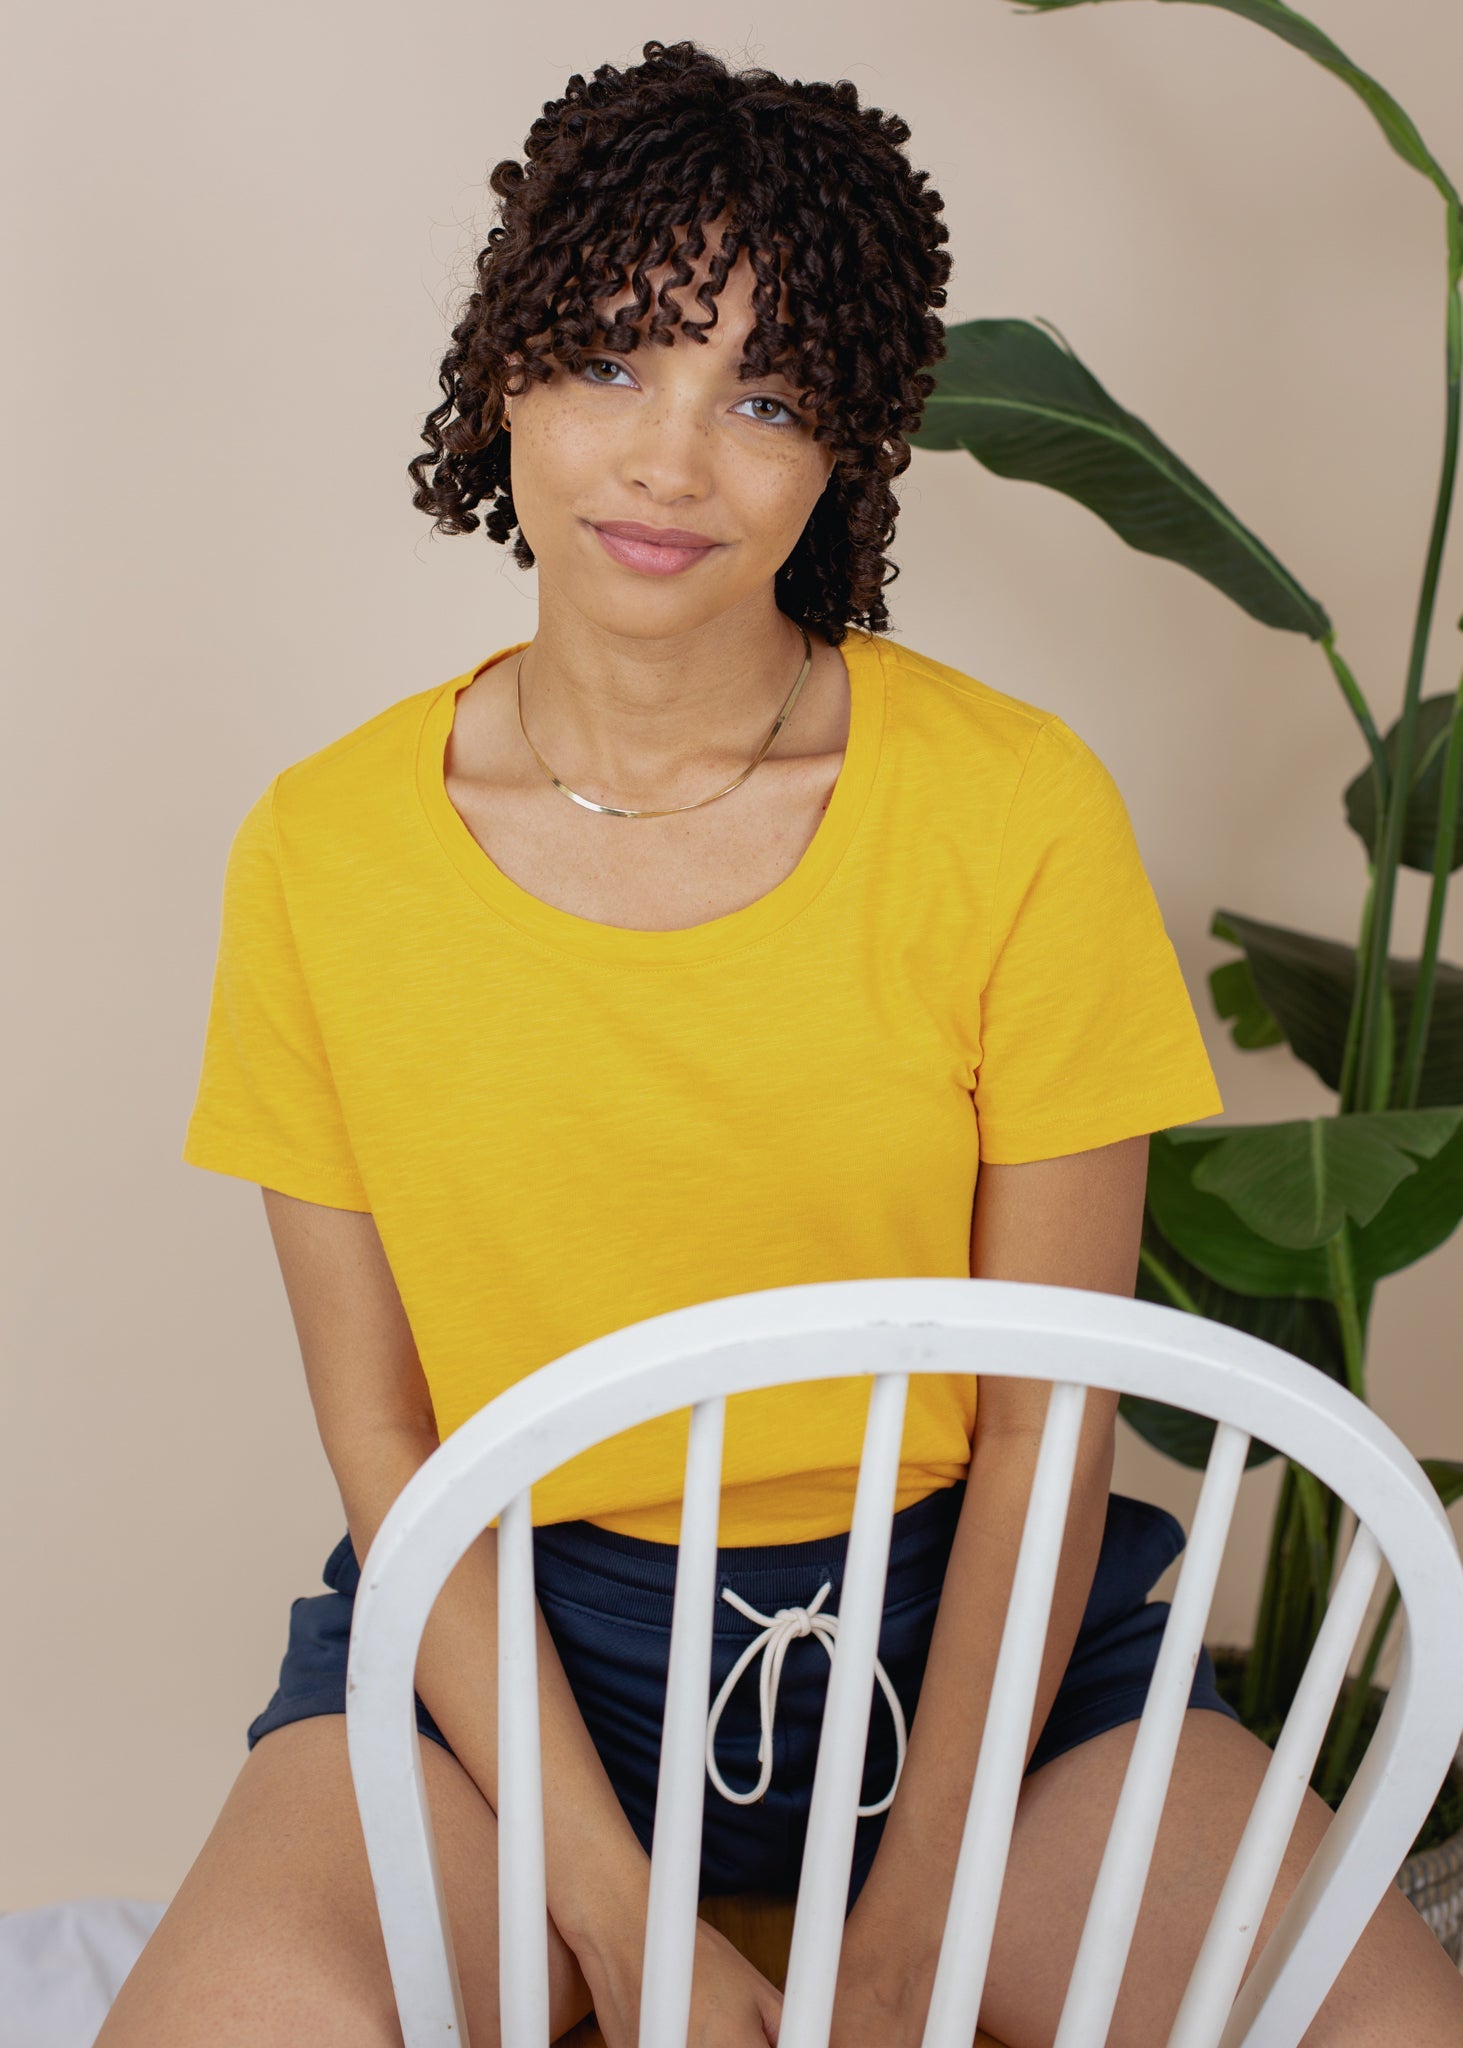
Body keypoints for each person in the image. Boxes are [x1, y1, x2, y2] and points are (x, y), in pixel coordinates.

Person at [101, 37, 1463, 2048]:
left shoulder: (1013, 811)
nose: (670, 462)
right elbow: (387, 1437)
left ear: (849, 446)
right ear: (502, 373)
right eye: (611, 361)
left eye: (763, 394)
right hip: (520, 1660)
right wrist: (610, 1909)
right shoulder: (321, 851)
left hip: (979, 1650)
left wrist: (899, 1952)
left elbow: (1045, 1425)